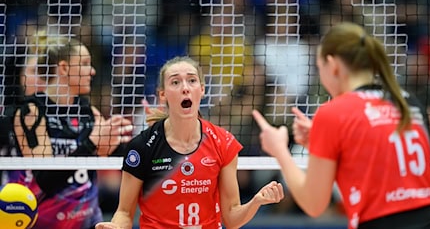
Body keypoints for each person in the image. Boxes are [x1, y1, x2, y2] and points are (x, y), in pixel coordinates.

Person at [252, 22, 430, 229]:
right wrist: (323, 144)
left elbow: (313, 204)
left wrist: (280, 151)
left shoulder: (334, 112)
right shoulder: (409, 102)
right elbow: (379, 167)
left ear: (333, 65)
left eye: (320, 68)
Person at [95, 56, 284, 229]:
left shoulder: (223, 142)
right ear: (163, 95)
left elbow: (232, 218)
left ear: (201, 89)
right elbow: (124, 212)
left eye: (192, 80)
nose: (185, 87)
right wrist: (116, 226)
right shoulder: (142, 146)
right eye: (175, 82)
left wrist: (256, 202)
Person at [4, 31, 134, 228]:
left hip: (87, 222)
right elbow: (45, 180)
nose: (92, 71)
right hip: (43, 223)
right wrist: (91, 143)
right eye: (84, 64)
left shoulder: (87, 110)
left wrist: (153, 131)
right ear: (63, 68)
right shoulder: (32, 111)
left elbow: (113, 153)